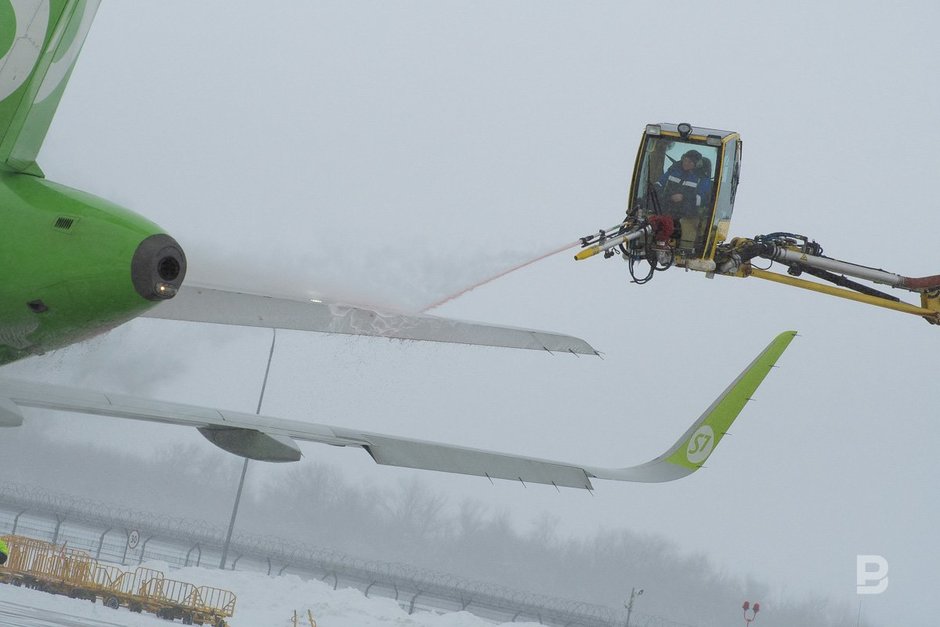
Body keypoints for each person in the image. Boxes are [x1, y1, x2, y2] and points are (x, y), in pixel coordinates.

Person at [653, 149, 712, 217]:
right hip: (665, 211)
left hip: (688, 217)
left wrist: (684, 197)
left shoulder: (702, 178)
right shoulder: (673, 170)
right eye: (685, 160)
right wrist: (661, 194)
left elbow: (703, 199)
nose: (686, 163)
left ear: (697, 164)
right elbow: (659, 183)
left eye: (690, 162)